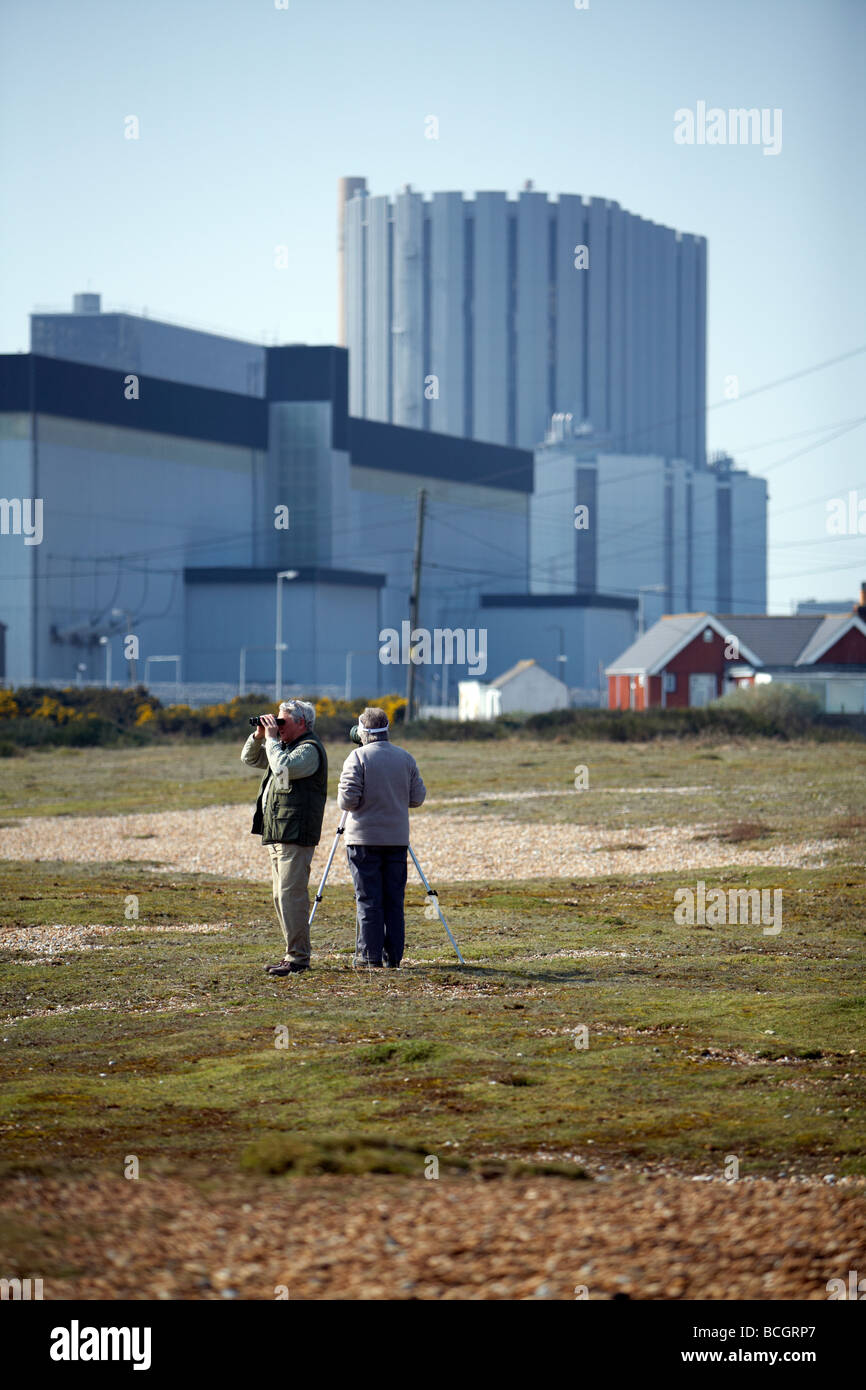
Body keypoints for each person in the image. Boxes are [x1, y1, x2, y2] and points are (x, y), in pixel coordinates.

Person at [240, 699, 328, 976]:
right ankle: (292, 954)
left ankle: (298, 958)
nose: (277, 727)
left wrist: (272, 740)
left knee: (292, 896)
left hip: (295, 832)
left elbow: (282, 768)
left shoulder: (308, 750)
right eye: (276, 721)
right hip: (278, 830)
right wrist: (259, 737)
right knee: (280, 896)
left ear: (301, 722)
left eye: (282, 722)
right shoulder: (283, 747)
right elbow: (250, 759)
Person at [337, 707, 426, 969]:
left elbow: (347, 801)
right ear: (386, 729)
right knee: (393, 900)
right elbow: (417, 798)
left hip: (363, 840)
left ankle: (369, 956)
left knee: (368, 899)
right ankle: (393, 957)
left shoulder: (357, 757)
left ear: (363, 731)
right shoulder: (405, 757)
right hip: (397, 839)